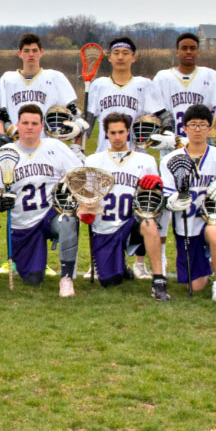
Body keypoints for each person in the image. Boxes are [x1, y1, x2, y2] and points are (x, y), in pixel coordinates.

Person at [81, 115, 171, 300]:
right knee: (110, 282)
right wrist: (85, 210)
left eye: (121, 132)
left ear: (128, 131)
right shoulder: (93, 160)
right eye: (113, 133)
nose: (117, 137)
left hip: (132, 223)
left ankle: (159, 280)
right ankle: (121, 265)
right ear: (106, 133)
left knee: (148, 221)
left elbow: (153, 199)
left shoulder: (145, 161)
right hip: (104, 226)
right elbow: (86, 197)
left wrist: (155, 185)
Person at [0, 105, 82, 292]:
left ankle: (66, 278)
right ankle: (34, 264)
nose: (29, 127)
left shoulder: (55, 147)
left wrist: (69, 192)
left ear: (41, 126)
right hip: (23, 224)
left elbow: (78, 175)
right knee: (33, 279)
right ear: (18, 125)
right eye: (25, 123)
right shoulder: (6, 152)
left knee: (68, 220)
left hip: (50, 215)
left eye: (34, 123)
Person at [160, 106, 216, 301]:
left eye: (202, 125)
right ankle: (207, 260)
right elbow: (167, 195)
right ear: (184, 129)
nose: (197, 129)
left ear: (209, 129)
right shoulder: (170, 159)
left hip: (212, 218)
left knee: (215, 231)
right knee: (194, 286)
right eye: (193, 125)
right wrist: (172, 201)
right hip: (186, 225)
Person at [153, 33, 216, 137]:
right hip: (171, 143)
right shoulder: (162, 77)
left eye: (192, 48)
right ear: (177, 52)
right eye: (184, 48)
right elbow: (155, 111)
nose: (188, 51)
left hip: (202, 142)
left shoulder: (212, 76)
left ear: (198, 52)